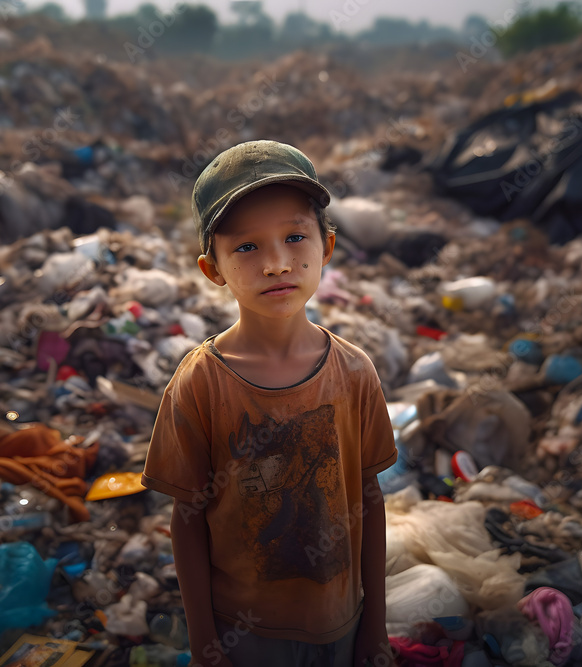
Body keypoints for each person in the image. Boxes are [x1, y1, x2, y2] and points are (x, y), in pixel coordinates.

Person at [142, 140, 397, 667]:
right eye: (247, 248)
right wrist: (205, 644)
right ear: (212, 269)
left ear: (326, 247)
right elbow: (187, 519)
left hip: (343, 624)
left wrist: (375, 627)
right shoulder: (200, 384)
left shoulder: (353, 373)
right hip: (245, 634)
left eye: (295, 237)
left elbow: (368, 499)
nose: (277, 263)